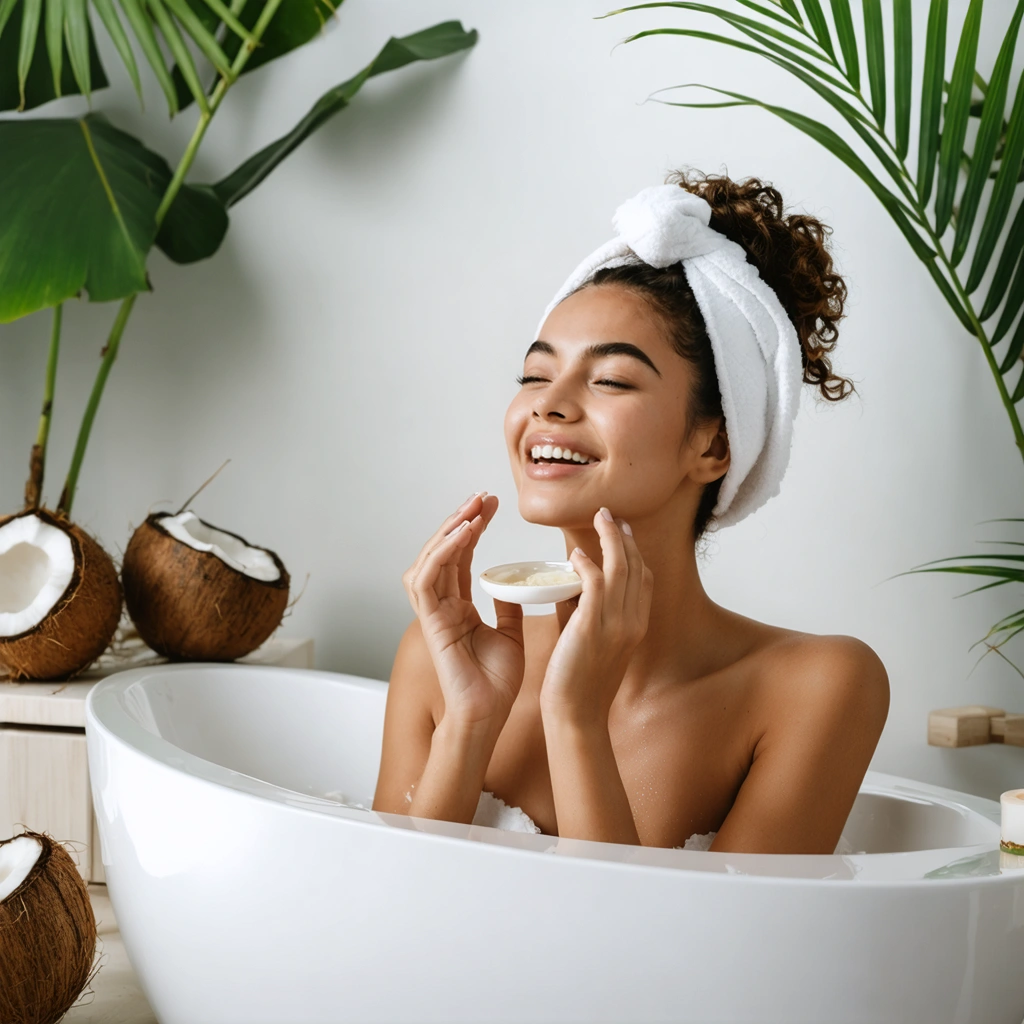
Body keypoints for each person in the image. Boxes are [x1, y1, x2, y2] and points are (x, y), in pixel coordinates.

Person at [371, 169, 889, 853]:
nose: (547, 403)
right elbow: (382, 905)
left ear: (715, 444)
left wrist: (575, 717)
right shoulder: (442, 654)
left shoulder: (817, 685)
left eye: (611, 379)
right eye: (534, 374)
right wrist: (468, 721)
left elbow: (665, 931)